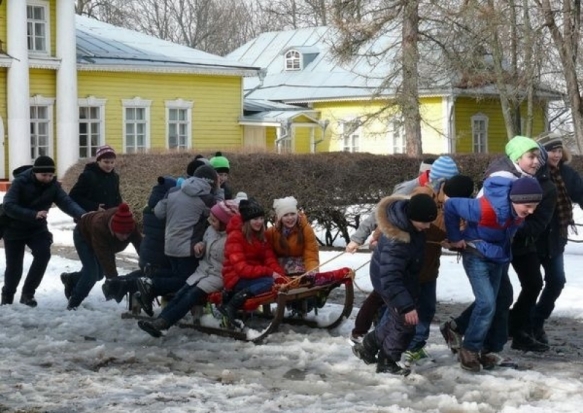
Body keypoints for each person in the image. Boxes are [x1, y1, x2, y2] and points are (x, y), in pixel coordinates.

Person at [441, 136, 550, 359]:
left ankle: (489, 348)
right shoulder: (493, 198)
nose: (537, 161)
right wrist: (455, 237)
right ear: (517, 157)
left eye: (538, 156)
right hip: (476, 251)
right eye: (532, 156)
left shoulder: (521, 187)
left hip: (498, 254)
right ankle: (470, 349)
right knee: (487, 303)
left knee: (502, 298)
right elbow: (451, 205)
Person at [349, 174, 475, 367]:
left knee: (412, 314)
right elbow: (391, 273)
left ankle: (379, 347)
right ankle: (386, 356)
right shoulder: (415, 212)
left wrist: (451, 240)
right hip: (401, 273)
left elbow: (448, 229)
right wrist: (375, 235)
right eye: (425, 223)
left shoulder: (427, 222)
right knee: (402, 317)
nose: (426, 226)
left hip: (422, 268)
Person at [352, 193, 438, 376]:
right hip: (389, 280)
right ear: (413, 217)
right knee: (405, 322)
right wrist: (406, 306)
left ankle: (367, 347)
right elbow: (390, 277)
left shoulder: (411, 226)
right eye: (425, 222)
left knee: (395, 319)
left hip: (404, 277)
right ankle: (387, 362)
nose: (427, 227)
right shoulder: (396, 241)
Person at [137, 200, 239, 337]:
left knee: (190, 296)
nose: (210, 222)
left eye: (214, 220)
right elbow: (204, 245)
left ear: (225, 223)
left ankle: (164, 323)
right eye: (210, 219)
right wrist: (199, 247)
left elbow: (234, 262)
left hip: (217, 276)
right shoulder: (210, 230)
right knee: (181, 293)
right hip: (202, 271)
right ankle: (159, 321)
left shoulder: (233, 239)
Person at [134, 165, 224, 315]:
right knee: (186, 281)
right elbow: (220, 211)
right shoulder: (206, 198)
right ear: (212, 182)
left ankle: (154, 275)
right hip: (188, 248)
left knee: (177, 276)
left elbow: (158, 212)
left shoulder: (174, 190)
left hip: (169, 245)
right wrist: (220, 190)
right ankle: (152, 283)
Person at [1, 156, 86, 307]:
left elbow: (67, 202)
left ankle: (28, 294)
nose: (47, 178)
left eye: (50, 175)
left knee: (43, 254)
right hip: (14, 228)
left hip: (37, 229)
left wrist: (83, 215)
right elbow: (8, 205)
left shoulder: (53, 186)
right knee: (14, 267)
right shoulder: (20, 182)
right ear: (35, 173)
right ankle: (7, 296)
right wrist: (33, 214)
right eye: (44, 175)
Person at [347, 155, 459, 253]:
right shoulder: (410, 189)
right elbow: (382, 211)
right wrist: (357, 239)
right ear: (442, 181)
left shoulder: (442, 194)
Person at [532, 132, 583, 344]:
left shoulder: (567, 174)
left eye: (559, 150)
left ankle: (536, 321)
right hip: (532, 239)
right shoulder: (533, 173)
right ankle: (520, 327)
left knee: (556, 281)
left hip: (555, 239)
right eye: (552, 150)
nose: (556, 154)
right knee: (531, 285)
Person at [218, 198, 286, 329]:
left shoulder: (261, 236)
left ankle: (235, 300)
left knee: (274, 281)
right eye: (255, 219)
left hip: (253, 276)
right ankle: (231, 304)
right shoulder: (235, 237)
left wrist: (280, 275)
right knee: (268, 282)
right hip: (235, 278)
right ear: (247, 221)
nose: (259, 222)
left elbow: (269, 259)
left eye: (261, 218)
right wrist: (270, 273)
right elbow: (241, 269)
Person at [65, 203, 142, 310]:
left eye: (128, 234)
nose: (125, 237)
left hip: (99, 242)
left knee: (99, 275)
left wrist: (146, 262)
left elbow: (141, 245)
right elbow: (106, 259)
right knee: (91, 273)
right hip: (83, 236)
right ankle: (73, 304)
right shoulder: (100, 227)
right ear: (114, 229)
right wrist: (114, 282)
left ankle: (71, 279)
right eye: (121, 233)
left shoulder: (130, 225)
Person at [265, 196, 319, 276]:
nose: (290, 218)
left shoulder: (306, 229)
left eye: (293, 214)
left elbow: (311, 254)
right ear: (280, 218)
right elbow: (269, 257)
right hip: (279, 270)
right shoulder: (271, 233)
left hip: (302, 269)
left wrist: (312, 271)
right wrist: (277, 273)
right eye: (285, 215)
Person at [68, 144, 122, 212]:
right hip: (90, 217)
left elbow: (117, 197)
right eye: (106, 162)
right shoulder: (88, 176)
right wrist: (94, 207)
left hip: (110, 217)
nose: (109, 165)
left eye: (112, 162)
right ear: (98, 161)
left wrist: (121, 209)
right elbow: (74, 196)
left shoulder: (115, 177)